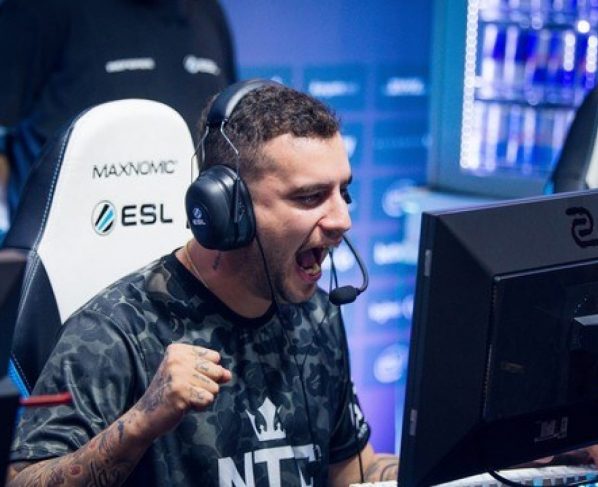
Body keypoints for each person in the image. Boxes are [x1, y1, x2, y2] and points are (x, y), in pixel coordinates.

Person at [6, 81, 399, 486]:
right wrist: (141, 421)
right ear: (228, 208)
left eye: (343, 192)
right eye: (310, 197)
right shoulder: (114, 331)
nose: (342, 220)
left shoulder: (316, 314)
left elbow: (351, 470)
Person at [0, 0, 236, 219]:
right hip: (74, 238)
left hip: (191, 238)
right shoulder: (39, 8)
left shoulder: (208, 12)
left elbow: (230, 135)